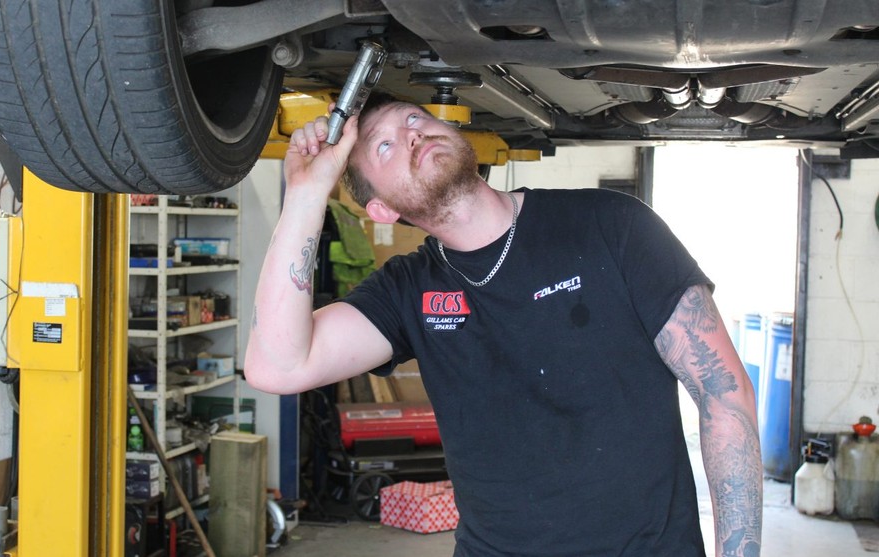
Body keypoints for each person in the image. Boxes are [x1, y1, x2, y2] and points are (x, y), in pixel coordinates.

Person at [244, 95, 762, 557]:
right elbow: (277, 366)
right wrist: (307, 194)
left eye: (415, 117)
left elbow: (724, 393)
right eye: (384, 147)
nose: (412, 133)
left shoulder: (612, 224)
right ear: (381, 209)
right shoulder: (408, 290)